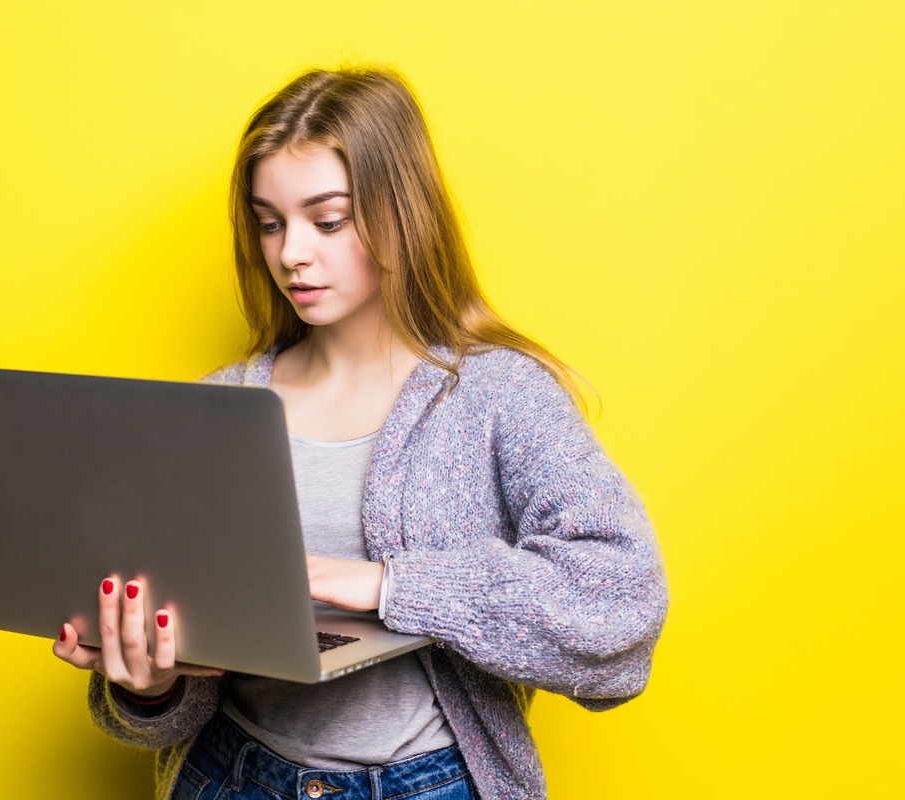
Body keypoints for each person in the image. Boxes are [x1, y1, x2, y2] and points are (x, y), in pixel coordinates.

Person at [53, 65, 668, 800]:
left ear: (401, 213)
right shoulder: (214, 409)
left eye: (328, 219)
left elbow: (620, 601)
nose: (291, 253)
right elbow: (178, 703)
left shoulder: (497, 395)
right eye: (270, 221)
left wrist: (388, 585)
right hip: (232, 776)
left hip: (429, 784)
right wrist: (149, 687)